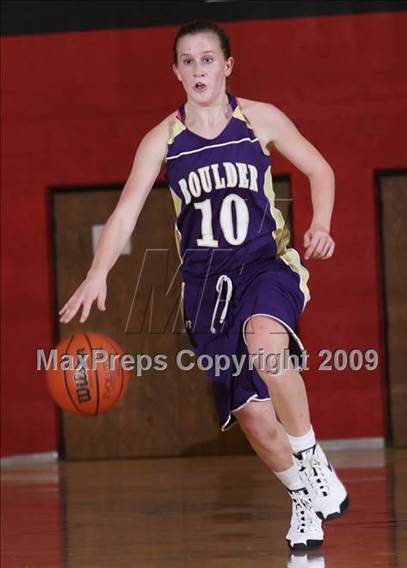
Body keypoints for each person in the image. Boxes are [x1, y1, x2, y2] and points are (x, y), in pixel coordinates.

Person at [59, 20, 348, 551]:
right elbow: (126, 211)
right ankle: (304, 499)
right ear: (175, 71)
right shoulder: (163, 141)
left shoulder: (259, 119)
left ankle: (312, 457)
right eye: (187, 61)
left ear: (227, 65)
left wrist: (321, 223)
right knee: (255, 420)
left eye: (207, 59)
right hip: (205, 290)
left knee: (266, 344)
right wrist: (98, 271)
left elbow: (320, 169)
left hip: (264, 266)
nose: (198, 69)